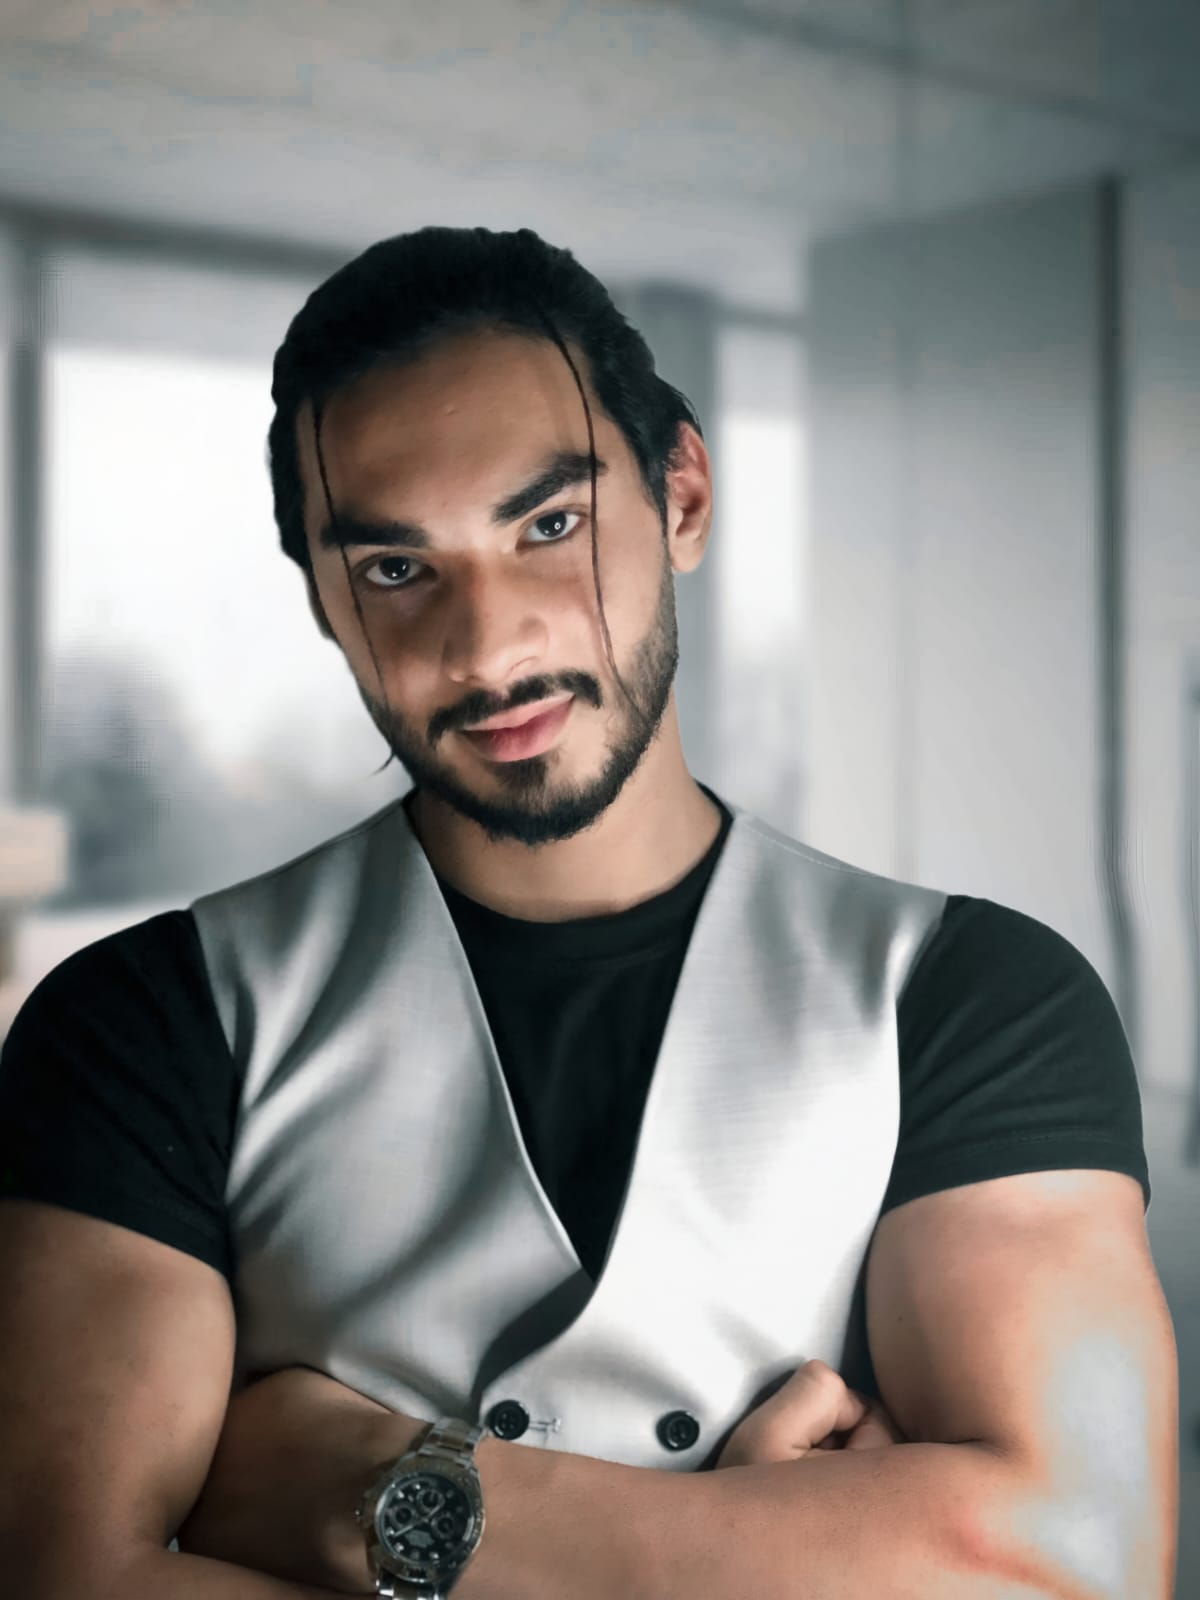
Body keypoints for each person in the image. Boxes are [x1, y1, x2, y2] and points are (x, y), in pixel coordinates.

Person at [0, 226, 1177, 1600]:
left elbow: (1070, 1564)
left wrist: (350, 1493)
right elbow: (61, 1578)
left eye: (550, 526)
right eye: (393, 569)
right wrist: (778, 1559)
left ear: (681, 494)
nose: (489, 645)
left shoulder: (974, 998)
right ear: (322, 600)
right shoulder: (143, 1019)